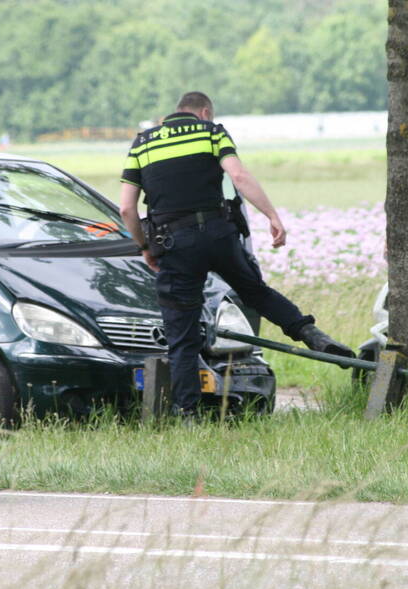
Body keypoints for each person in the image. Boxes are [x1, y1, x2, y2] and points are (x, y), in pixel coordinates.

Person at [118, 91, 354, 418]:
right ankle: (310, 333)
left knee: (182, 335)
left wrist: (145, 246)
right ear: (204, 112)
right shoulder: (211, 132)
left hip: (175, 244)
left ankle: (188, 414)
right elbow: (239, 177)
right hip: (219, 234)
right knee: (255, 292)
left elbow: (127, 208)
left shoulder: (142, 143)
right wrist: (272, 216)